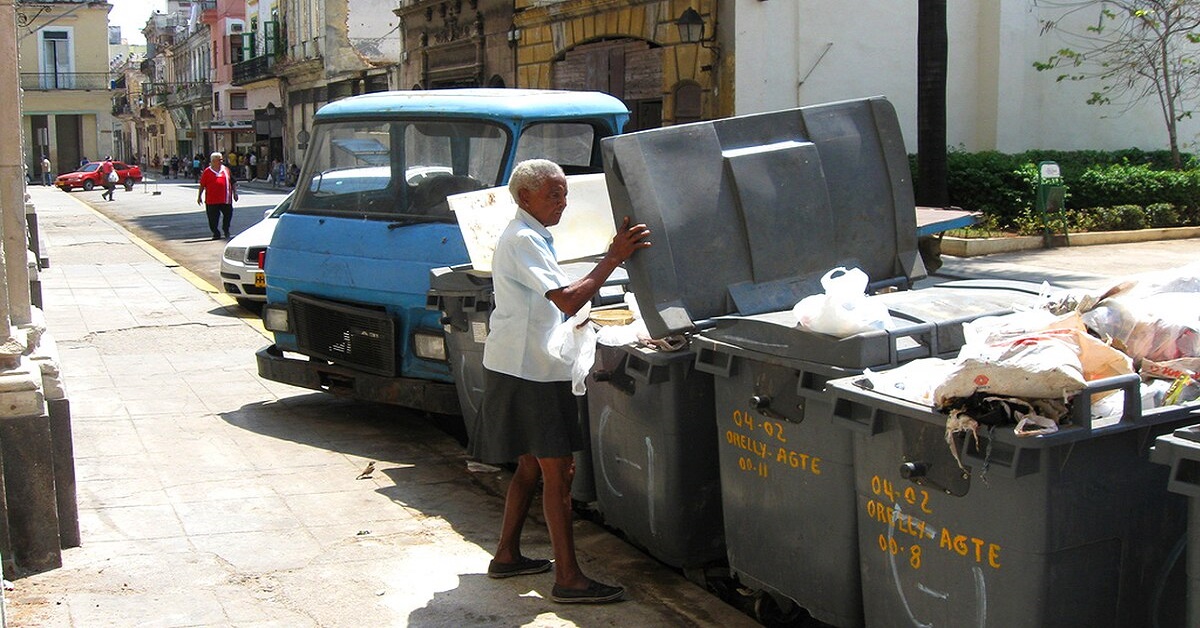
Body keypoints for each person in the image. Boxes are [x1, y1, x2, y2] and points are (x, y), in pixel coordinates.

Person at [470, 159, 651, 604]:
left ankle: (507, 555)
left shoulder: (531, 237)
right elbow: (568, 300)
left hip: (525, 363)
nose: (563, 203)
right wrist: (614, 257)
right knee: (559, 471)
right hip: (530, 369)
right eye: (554, 194)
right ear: (524, 197)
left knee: (533, 464)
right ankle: (568, 579)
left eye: (564, 193)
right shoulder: (525, 239)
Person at [197, 152, 238, 240]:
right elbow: (202, 185)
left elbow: (233, 182)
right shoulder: (207, 171)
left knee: (228, 215)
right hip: (211, 200)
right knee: (212, 219)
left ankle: (226, 229)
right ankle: (216, 233)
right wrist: (199, 196)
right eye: (219, 160)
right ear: (213, 161)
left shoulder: (226, 170)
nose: (221, 161)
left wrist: (235, 193)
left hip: (225, 199)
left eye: (221, 159)